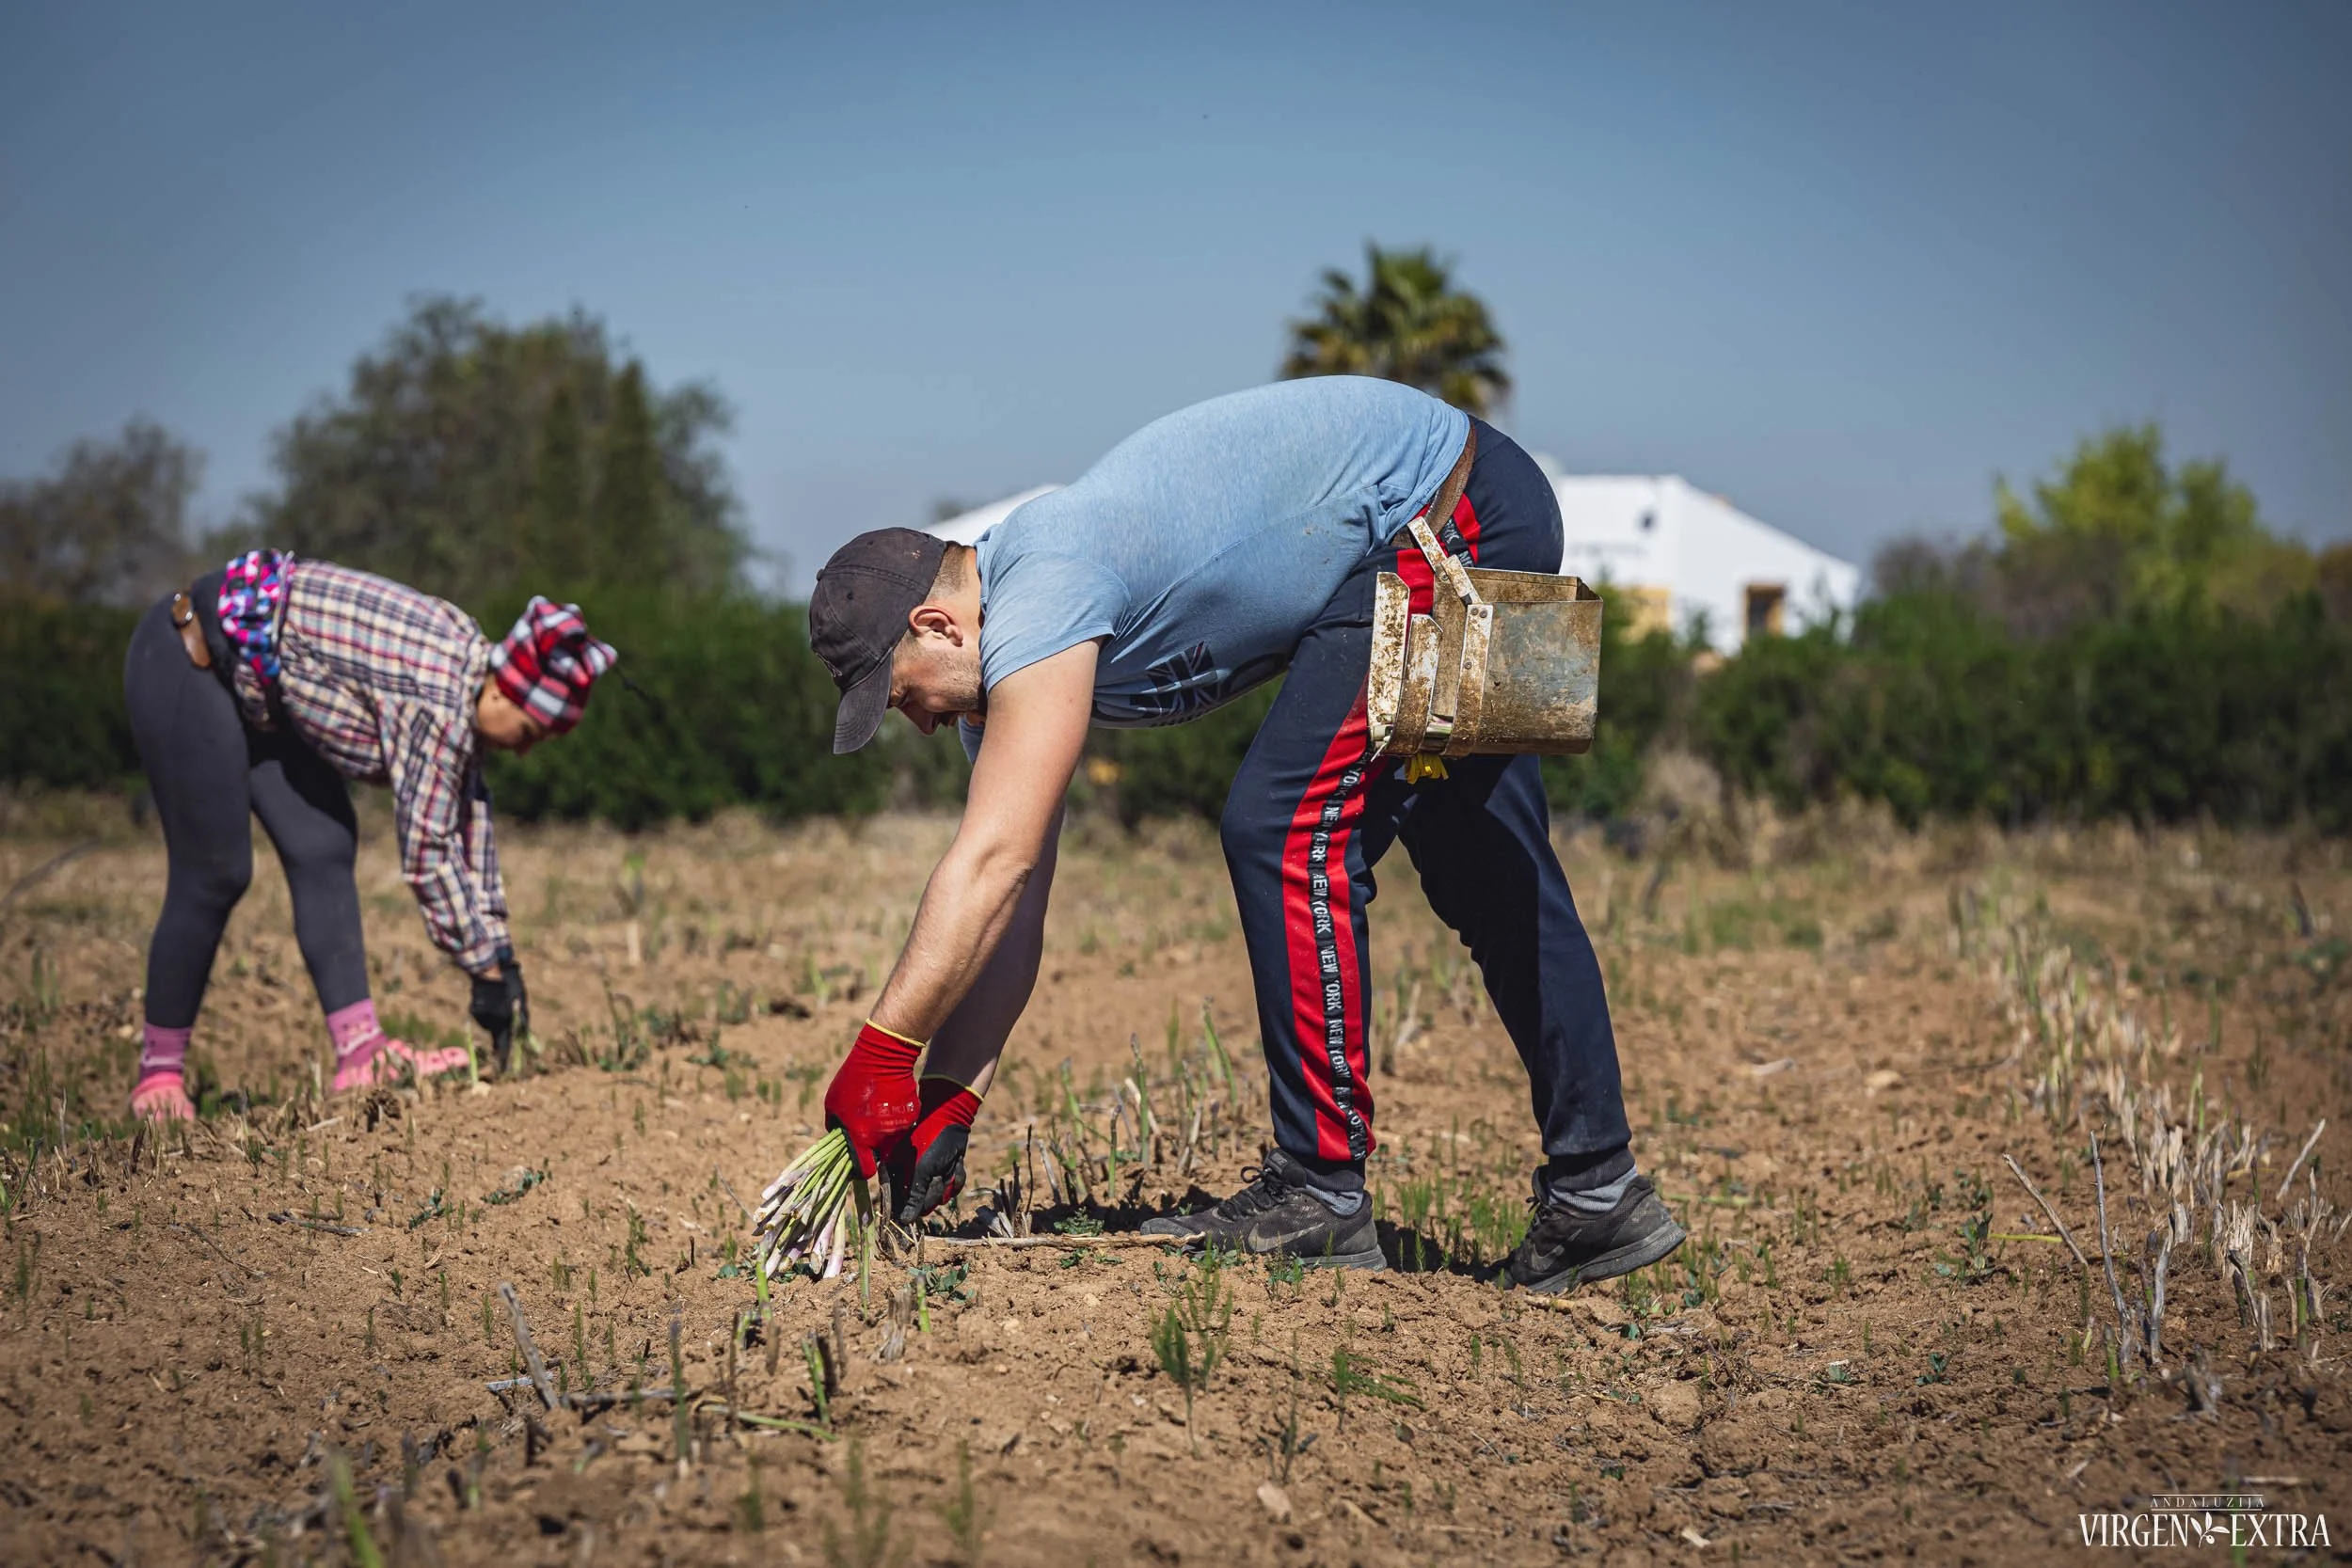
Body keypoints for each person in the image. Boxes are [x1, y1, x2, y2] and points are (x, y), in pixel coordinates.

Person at [803, 376, 1681, 1293]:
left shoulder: (1044, 581)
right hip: (1469, 502)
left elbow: (992, 859)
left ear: (936, 623)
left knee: (1282, 825)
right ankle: (1597, 1191)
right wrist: (950, 1093)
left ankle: (1320, 1188)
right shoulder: (1018, 654)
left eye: (902, 694)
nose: (920, 724)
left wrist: (881, 1051)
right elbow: (1011, 905)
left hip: (1443, 511)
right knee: (1486, 867)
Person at [121, 548, 615, 1122]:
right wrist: (481, 972)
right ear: (506, 692)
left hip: (260, 692)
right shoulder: (436, 695)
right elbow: (429, 854)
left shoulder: (468, 677)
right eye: (531, 732)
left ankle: (361, 1054)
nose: (527, 749)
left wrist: (502, 959)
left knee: (323, 844)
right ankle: (158, 1078)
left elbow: (469, 829)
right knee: (217, 871)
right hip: (190, 657)